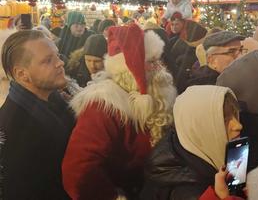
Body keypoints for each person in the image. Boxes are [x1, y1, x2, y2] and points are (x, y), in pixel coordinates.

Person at [62, 23, 177, 200]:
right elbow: (78, 170)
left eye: (158, 60)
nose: (160, 68)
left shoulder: (147, 97)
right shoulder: (103, 106)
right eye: (151, 62)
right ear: (129, 71)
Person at [0, 30, 75, 199]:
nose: (60, 63)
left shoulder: (56, 101)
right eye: (48, 60)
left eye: (57, 55)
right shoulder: (13, 129)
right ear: (21, 74)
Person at [141, 85, 243, 200]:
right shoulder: (190, 194)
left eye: (235, 114)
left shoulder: (187, 141)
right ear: (199, 128)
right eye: (224, 120)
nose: (238, 125)